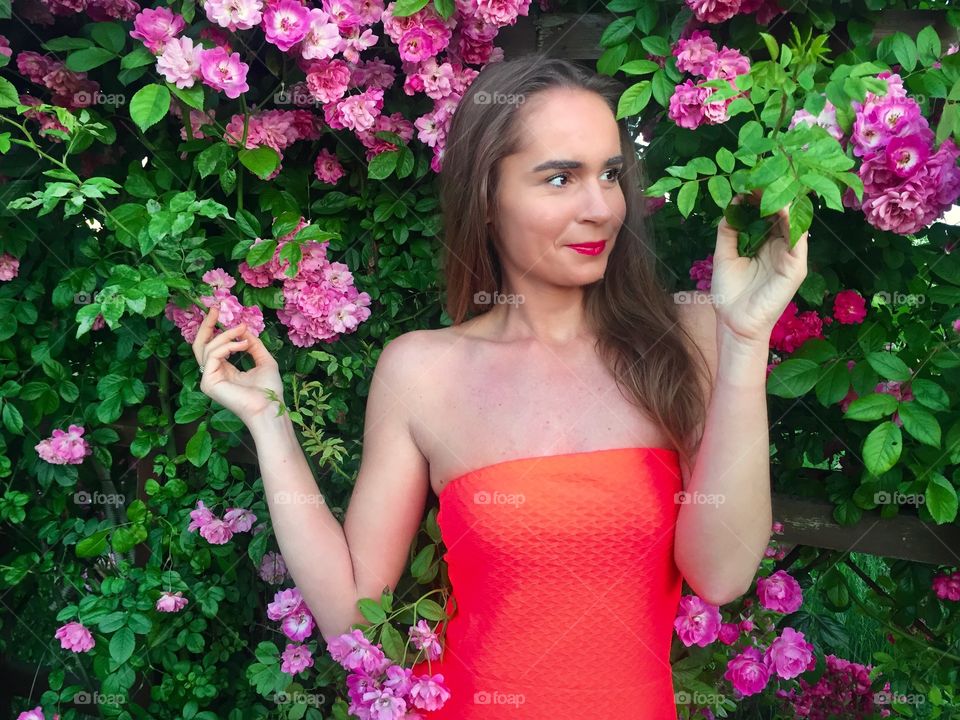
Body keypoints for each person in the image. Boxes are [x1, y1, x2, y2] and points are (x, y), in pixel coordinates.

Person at [193, 54, 808, 719]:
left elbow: (720, 574)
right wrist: (269, 418)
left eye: (609, 174)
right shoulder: (422, 371)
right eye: (559, 178)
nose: (601, 208)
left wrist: (745, 340)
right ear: (487, 196)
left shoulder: (686, 336)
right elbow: (350, 614)